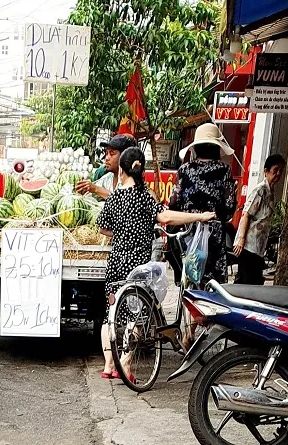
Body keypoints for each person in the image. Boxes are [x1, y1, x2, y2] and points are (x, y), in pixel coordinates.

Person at [96, 147, 215, 379]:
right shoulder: (143, 195)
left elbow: (101, 226)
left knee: (110, 312)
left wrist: (121, 233)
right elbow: (166, 217)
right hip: (136, 264)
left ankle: (109, 366)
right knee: (136, 314)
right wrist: (200, 216)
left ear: (122, 169)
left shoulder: (115, 197)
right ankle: (126, 364)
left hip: (115, 261)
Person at [169, 123, 237, 285]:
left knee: (190, 280)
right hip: (214, 235)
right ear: (217, 148)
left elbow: (173, 202)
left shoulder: (184, 170)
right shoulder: (224, 170)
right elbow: (228, 209)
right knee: (213, 285)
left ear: (196, 148)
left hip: (188, 233)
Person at [234, 154, 286, 285]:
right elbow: (246, 214)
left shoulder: (271, 192)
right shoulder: (260, 190)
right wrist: (241, 240)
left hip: (258, 246)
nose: (278, 174)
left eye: (281, 170)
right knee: (246, 282)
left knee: (254, 281)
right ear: (266, 171)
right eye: (275, 170)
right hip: (248, 245)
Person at [75, 134, 136, 200]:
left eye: (112, 154)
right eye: (106, 153)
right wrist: (85, 190)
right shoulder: (107, 178)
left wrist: (95, 189)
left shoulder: (133, 181)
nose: (107, 158)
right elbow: (93, 193)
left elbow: (123, 202)